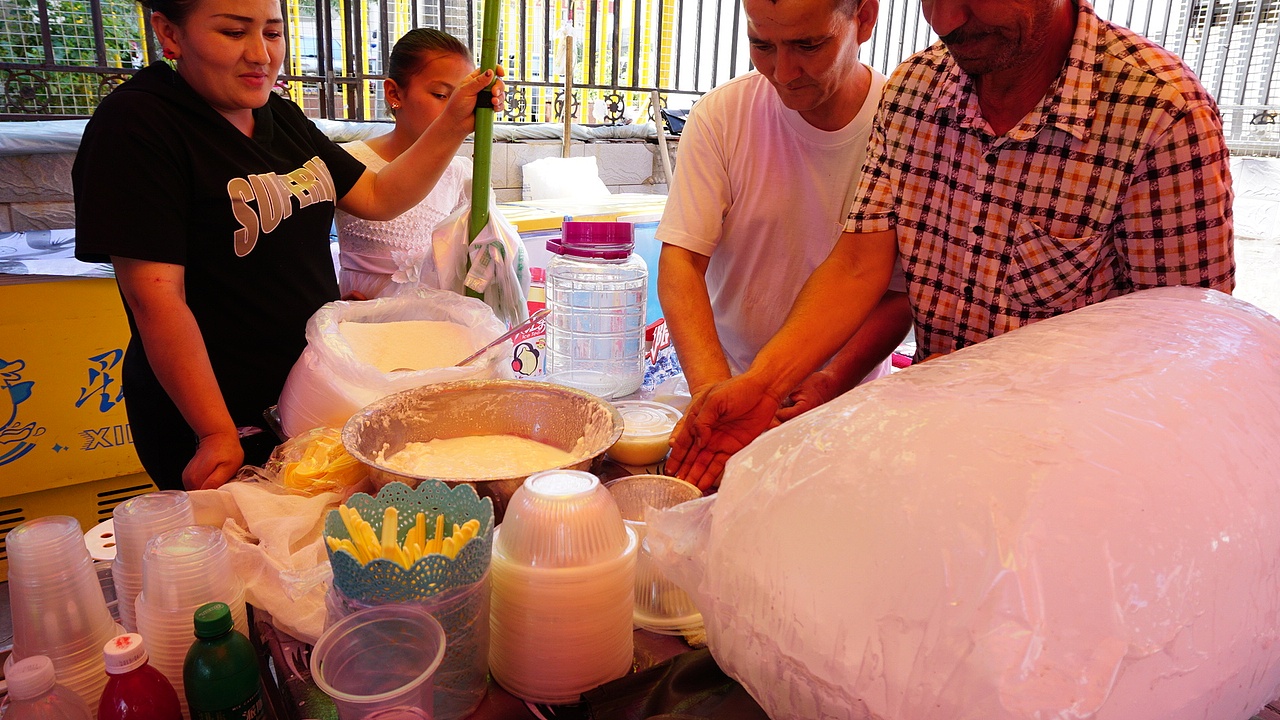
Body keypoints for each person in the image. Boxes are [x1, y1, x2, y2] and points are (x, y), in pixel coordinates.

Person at [669, 0, 1235, 489]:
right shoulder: (916, 95)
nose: (945, 19)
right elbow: (858, 265)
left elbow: (1177, 370)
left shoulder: (1160, 118)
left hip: (1072, 482)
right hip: (932, 458)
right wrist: (765, 388)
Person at [72, 0, 504, 491]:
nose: (260, 54)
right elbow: (157, 301)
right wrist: (214, 431)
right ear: (170, 34)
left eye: (273, 33)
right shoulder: (138, 125)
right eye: (234, 32)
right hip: (217, 413)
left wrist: (452, 122)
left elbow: (379, 196)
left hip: (308, 393)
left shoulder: (279, 115)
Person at [657, 0, 912, 438]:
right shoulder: (721, 116)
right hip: (730, 377)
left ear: (864, 18)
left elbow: (898, 292)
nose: (783, 71)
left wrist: (832, 382)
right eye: (762, 44)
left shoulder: (904, 130)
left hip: (849, 401)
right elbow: (681, 263)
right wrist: (715, 396)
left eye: (808, 45)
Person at [336, 29, 474, 299]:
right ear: (393, 93)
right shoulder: (347, 161)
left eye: (462, 98)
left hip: (432, 316)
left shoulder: (460, 173)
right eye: (441, 95)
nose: (454, 109)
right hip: (361, 317)